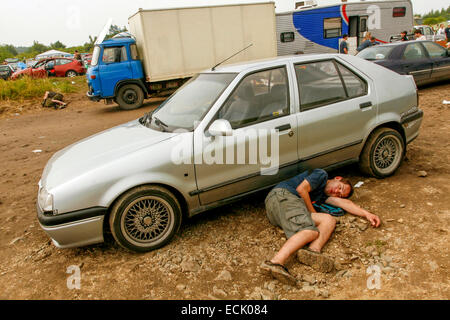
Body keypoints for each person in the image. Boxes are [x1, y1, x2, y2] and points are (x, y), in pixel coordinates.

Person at [260, 169, 381, 285]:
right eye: (340, 187)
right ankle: (275, 262)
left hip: (284, 209)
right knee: (310, 231)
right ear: (338, 178)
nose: (337, 192)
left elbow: (345, 203)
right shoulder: (321, 175)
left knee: (328, 220)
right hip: (282, 197)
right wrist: (313, 212)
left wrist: (367, 214)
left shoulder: (322, 197)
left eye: (339, 194)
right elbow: (301, 189)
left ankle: (313, 251)